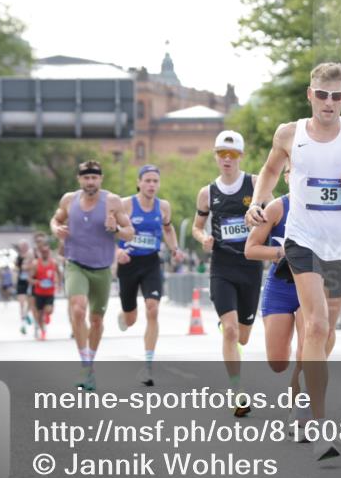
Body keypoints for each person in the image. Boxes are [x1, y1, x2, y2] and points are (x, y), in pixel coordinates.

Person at [246, 62, 341, 461]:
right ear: (310, 95)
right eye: (322, 95)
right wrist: (257, 203)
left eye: (337, 96)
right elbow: (271, 169)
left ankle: (302, 396)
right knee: (316, 323)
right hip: (302, 240)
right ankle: (319, 425)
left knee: (324, 335)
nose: (329, 103)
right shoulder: (289, 133)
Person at [193, 131, 263, 416]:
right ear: (215, 156)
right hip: (222, 266)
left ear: (240, 157)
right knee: (231, 331)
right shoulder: (207, 192)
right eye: (221, 153)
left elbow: (276, 213)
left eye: (232, 154)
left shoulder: (256, 184)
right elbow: (198, 226)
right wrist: (202, 239)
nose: (226, 158)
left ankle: (230, 332)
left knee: (242, 337)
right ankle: (237, 393)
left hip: (250, 266)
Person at [50, 160, 134, 391]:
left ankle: (90, 364)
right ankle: (84, 364)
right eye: (86, 178)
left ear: (101, 179)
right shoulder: (69, 200)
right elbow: (56, 219)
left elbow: (130, 234)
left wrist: (115, 229)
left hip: (102, 268)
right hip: (75, 263)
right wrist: (56, 229)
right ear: (79, 179)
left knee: (96, 321)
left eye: (94, 178)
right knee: (78, 309)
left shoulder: (113, 202)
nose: (90, 182)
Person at [243, 165, 310, 437]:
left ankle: (300, 409)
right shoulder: (277, 209)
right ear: (286, 177)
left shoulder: (324, 209)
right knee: (278, 362)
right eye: (293, 172)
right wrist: (282, 251)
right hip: (281, 287)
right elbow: (250, 249)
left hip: (311, 286)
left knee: (307, 351)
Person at [116, 164, 183, 387]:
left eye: (155, 181)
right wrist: (117, 251)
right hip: (128, 262)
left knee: (152, 308)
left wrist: (174, 248)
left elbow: (168, 228)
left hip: (151, 262)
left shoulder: (163, 207)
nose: (152, 185)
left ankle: (148, 365)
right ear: (139, 183)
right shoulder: (126, 204)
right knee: (131, 319)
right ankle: (124, 315)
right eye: (148, 180)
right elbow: (111, 230)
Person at [29, 241, 59, 341]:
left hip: (50, 292)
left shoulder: (53, 263)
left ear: (49, 252)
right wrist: (37, 281)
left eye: (47, 251)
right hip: (39, 292)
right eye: (43, 252)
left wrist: (58, 283)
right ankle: (43, 332)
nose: (45, 253)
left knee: (48, 310)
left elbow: (58, 274)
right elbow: (30, 279)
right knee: (39, 314)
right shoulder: (35, 264)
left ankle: (47, 315)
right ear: (40, 253)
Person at [15, 240, 34, 334]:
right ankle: (23, 324)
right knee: (21, 303)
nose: (23, 247)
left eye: (25, 245)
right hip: (21, 281)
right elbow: (17, 268)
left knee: (30, 302)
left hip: (30, 281)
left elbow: (33, 267)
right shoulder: (18, 257)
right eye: (22, 246)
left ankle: (27, 315)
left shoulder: (31, 254)